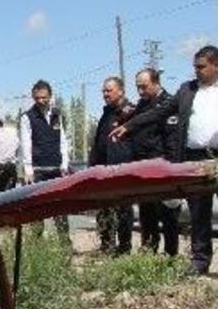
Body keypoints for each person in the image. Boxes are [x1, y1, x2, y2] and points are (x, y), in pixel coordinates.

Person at [114, 45, 218, 275]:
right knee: (199, 212)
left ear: (215, 65)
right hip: (194, 158)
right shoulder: (186, 91)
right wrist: (129, 126)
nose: (197, 71)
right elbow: (158, 113)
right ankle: (200, 261)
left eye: (201, 67)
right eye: (195, 67)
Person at [129, 68, 180, 256]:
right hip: (143, 170)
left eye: (144, 87)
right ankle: (149, 250)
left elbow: (172, 142)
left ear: (156, 82)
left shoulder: (168, 104)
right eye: (138, 88)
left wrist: (173, 171)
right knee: (146, 213)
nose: (141, 92)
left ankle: (170, 254)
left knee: (168, 216)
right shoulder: (141, 106)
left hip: (163, 169)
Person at [89, 77, 136, 255]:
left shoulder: (130, 112)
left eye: (109, 90)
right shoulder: (106, 114)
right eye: (104, 91)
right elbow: (99, 142)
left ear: (121, 91)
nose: (105, 94)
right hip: (103, 170)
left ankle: (124, 247)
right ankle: (106, 244)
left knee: (124, 209)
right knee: (105, 208)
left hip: (122, 169)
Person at [19, 80, 71, 236]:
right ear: (33, 97)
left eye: (44, 97)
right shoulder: (27, 117)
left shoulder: (57, 114)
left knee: (60, 209)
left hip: (56, 168)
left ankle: (64, 242)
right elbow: (26, 143)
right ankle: (36, 243)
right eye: (37, 98)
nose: (41, 101)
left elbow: (63, 139)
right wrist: (28, 169)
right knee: (38, 209)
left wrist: (64, 163)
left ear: (50, 96)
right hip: (38, 169)